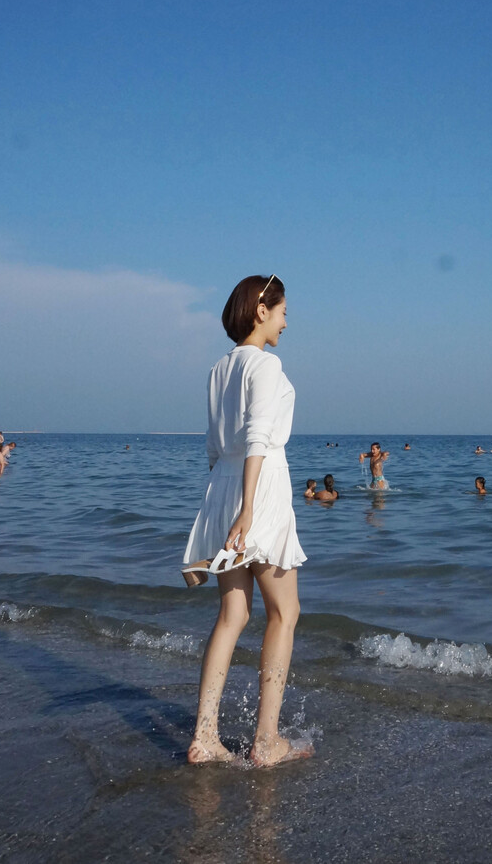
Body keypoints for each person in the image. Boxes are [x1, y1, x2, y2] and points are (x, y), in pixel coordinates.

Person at [181, 274, 311, 768]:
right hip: (260, 491)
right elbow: (259, 435)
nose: (286, 322)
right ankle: (266, 740)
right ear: (261, 310)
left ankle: (205, 736)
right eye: (282, 312)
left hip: (222, 488)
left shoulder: (218, 369)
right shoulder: (266, 364)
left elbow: (214, 448)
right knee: (285, 612)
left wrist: (225, 505)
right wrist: (250, 507)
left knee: (232, 615)